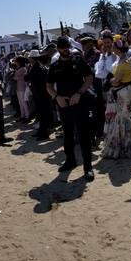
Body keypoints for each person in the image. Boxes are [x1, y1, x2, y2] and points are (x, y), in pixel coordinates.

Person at [46, 36, 95, 181]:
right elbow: (48, 86)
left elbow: (89, 78)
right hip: (64, 105)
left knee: (84, 135)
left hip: (80, 103)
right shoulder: (54, 66)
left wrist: (79, 93)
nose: (65, 50)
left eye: (67, 47)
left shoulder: (78, 60)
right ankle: (70, 161)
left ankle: (88, 167)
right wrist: (56, 97)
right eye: (62, 48)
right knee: (67, 135)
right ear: (58, 49)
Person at [101, 37, 131, 159]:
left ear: (118, 49)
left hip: (124, 91)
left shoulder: (124, 63)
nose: (112, 48)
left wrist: (109, 81)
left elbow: (116, 81)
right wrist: (112, 80)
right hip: (122, 91)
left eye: (114, 46)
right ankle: (128, 145)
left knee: (124, 117)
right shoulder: (122, 60)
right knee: (125, 117)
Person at [25, 49, 52, 141]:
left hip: (41, 94)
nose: (28, 59)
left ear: (32, 58)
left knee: (42, 114)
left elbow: (27, 77)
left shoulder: (37, 67)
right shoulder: (38, 66)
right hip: (41, 93)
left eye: (29, 57)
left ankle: (44, 133)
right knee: (41, 114)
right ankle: (41, 131)